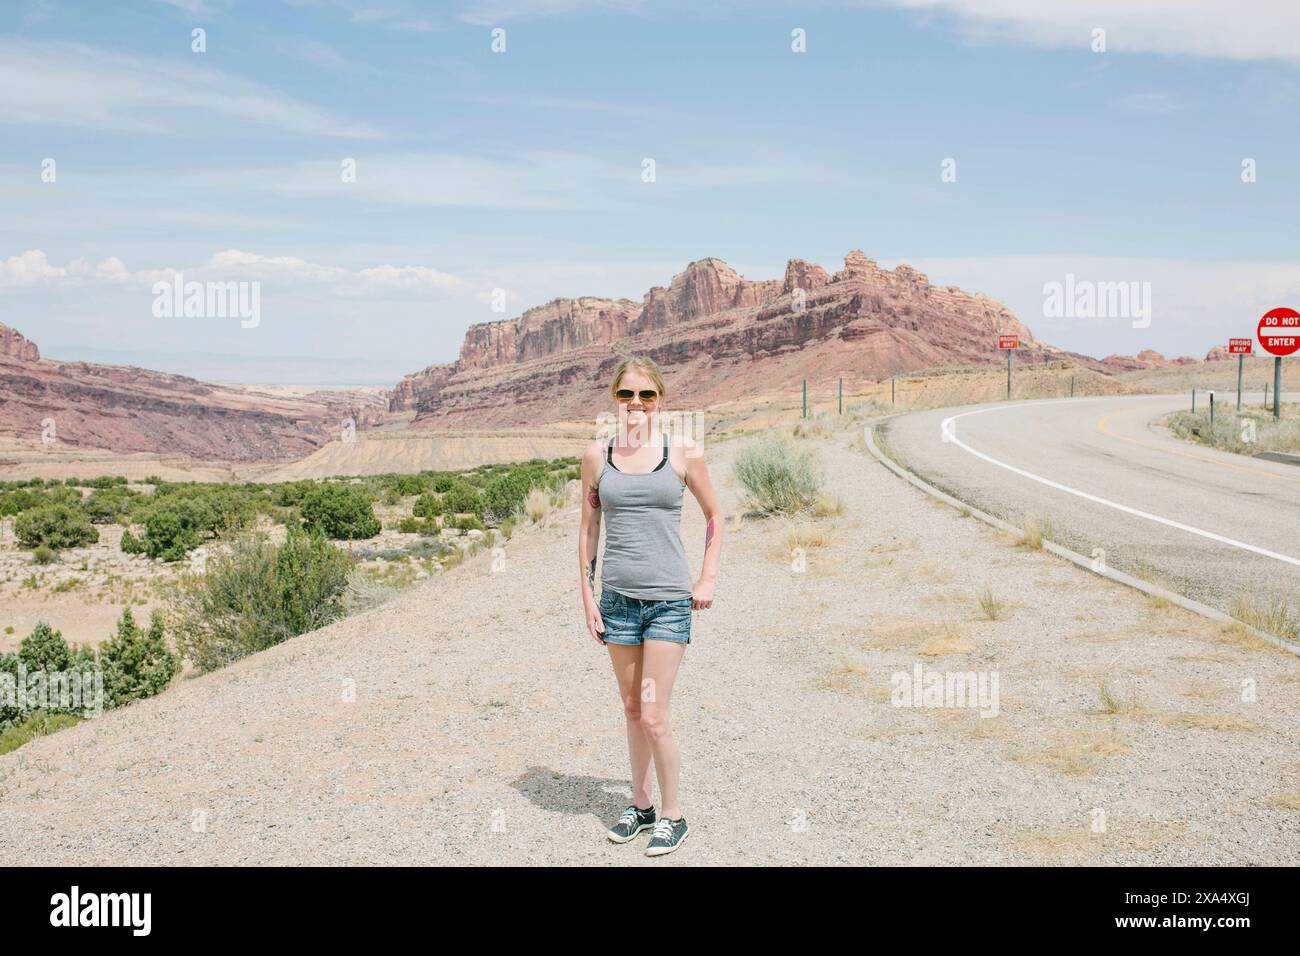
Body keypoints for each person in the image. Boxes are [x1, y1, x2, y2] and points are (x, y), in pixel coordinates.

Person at [578, 355, 723, 857]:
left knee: (656, 714)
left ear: (660, 399)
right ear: (614, 400)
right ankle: (639, 805)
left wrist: (706, 576)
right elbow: (589, 528)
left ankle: (672, 814)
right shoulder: (597, 456)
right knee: (633, 708)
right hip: (616, 601)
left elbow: (715, 515)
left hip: (667, 602)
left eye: (645, 395)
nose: (635, 404)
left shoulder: (681, 451)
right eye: (626, 395)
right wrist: (588, 597)